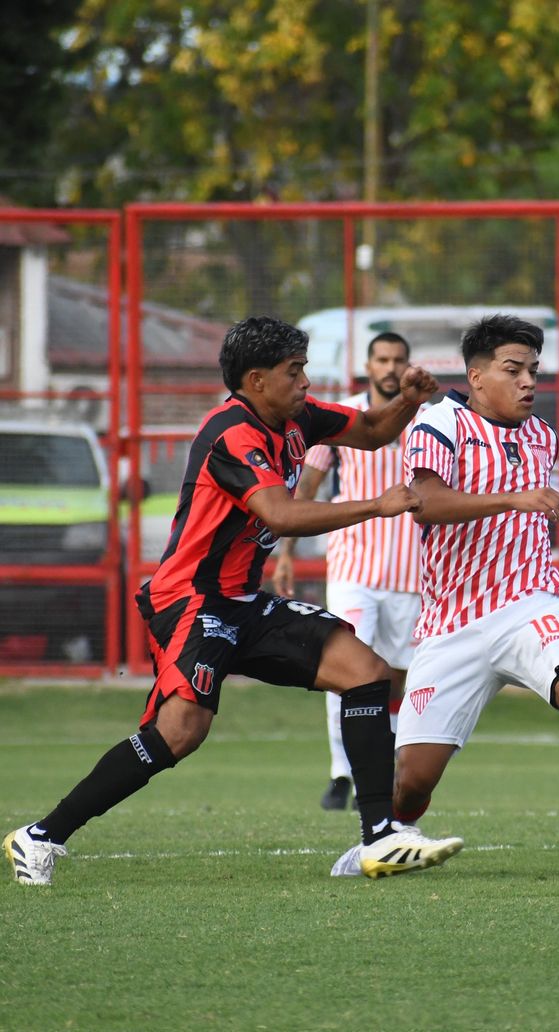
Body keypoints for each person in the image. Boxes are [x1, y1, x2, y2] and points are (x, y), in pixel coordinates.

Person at [4, 315, 463, 886]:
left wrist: (409, 403)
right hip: (191, 599)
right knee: (180, 733)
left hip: (243, 600)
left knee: (365, 672)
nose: (305, 382)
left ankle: (379, 838)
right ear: (256, 380)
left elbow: (370, 429)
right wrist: (376, 505)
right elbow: (282, 513)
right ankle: (40, 836)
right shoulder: (233, 433)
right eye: (294, 371)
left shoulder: (296, 417)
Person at [333, 313, 559, 877]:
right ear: (478, 376)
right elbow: (425, 502)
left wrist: (520, 503)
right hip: (453, 620)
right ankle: (385, 841)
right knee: (411, 780)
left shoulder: (542, 434)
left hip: (531, 601)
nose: (529, 381)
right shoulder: (439, 422)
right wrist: (515, 498)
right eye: (514, 369)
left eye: (534, 369)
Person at [274, 332, 423, 811]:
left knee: (397, 676)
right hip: (354, 566)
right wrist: (285, 552)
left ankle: (377, 766)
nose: (390, 367)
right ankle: (343, 774)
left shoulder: (427, 420)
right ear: (368, 363)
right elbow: (305, 491)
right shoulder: (342, 417)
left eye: (398, 360)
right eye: (382, 359)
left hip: (413, 572)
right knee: (347, 665)